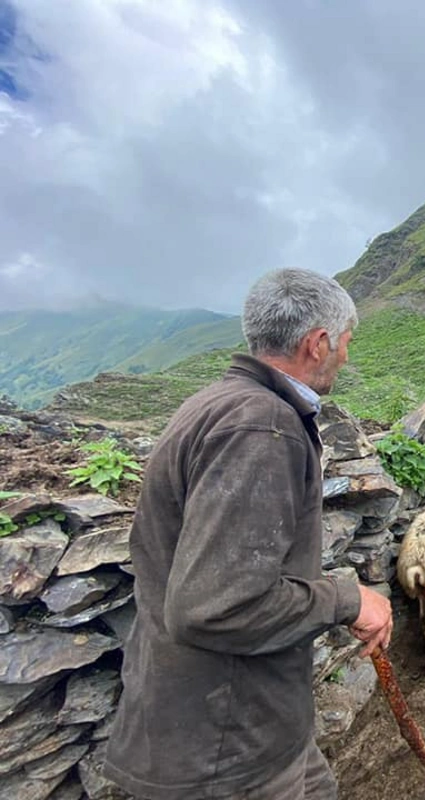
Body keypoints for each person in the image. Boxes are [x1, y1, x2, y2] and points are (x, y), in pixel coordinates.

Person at [104, 268, 393, 799]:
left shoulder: (220, 403)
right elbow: (216, 604)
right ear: (318, 343)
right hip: (224, 749)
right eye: (346, 343)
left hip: (255, 721)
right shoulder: (261, 428)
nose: (347, 358)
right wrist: (347, 601)